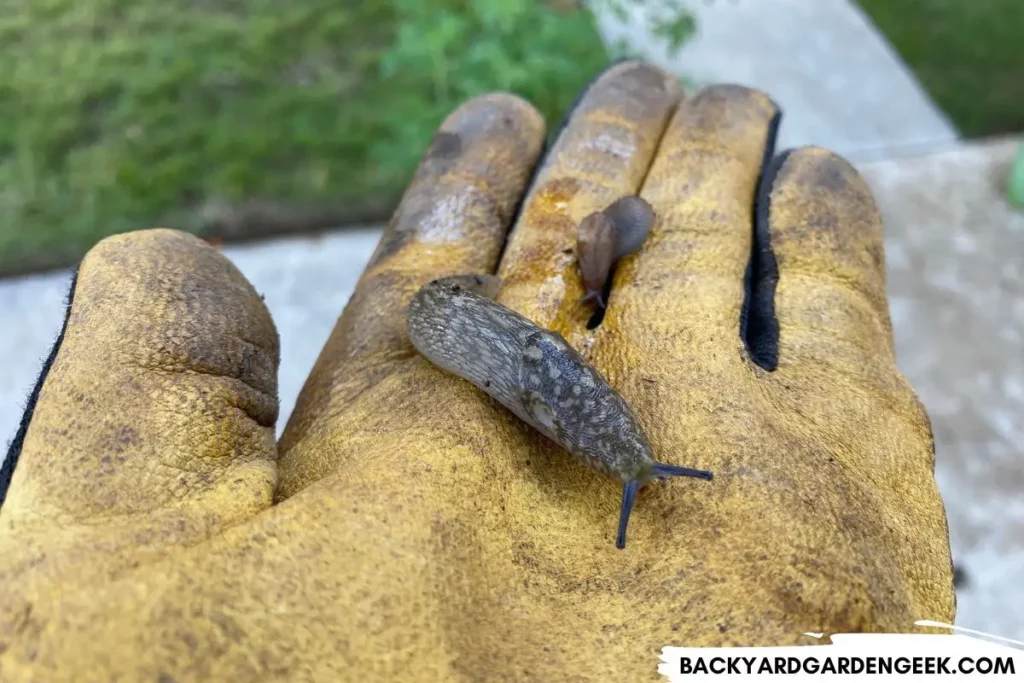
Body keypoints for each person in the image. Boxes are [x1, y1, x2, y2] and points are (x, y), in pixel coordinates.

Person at [0, 60, 955, 681]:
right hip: (462, 325)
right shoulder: (444, 323)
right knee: (538, 369)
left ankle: (614, 448)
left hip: (493, 338)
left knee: (549, 374)